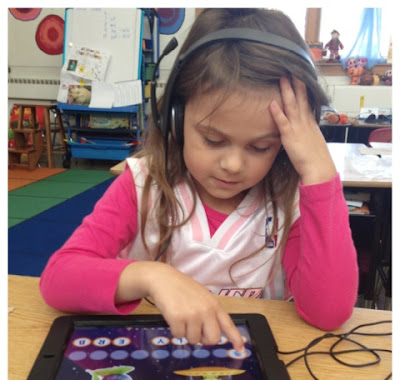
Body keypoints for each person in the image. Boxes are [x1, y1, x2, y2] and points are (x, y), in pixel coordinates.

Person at [40, 8, 358, 353]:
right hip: (156, 356)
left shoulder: (288, 203)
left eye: (260, 147)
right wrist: (151, 276)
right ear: (175, 118)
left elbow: (329, 313)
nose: (233, 165)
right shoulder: (143, 187)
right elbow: (58, 279)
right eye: (213, 139)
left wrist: (319, 174)